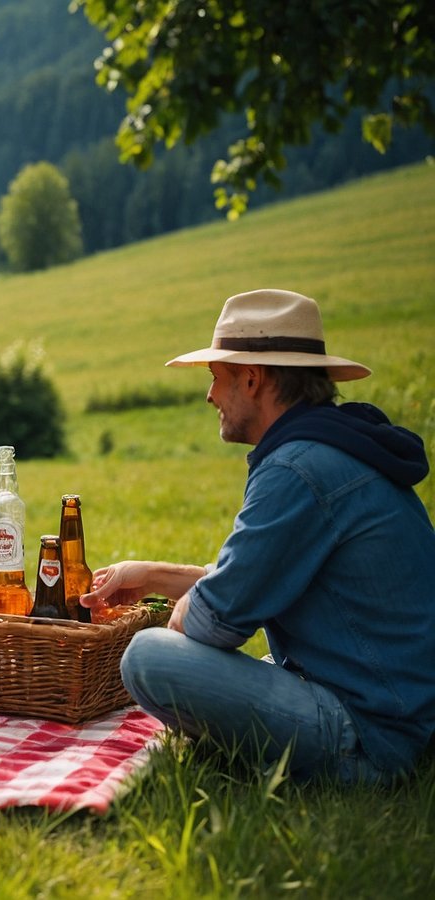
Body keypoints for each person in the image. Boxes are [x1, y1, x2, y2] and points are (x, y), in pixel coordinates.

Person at [81, 289, 435, 784]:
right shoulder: (332, 448)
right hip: (397, 708)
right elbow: (256, 578)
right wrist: (155, 576)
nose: (209, 396)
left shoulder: (297, 469)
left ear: (251, 379)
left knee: (147, 656)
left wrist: (189, 613)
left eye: (215, 379)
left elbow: (214, 623)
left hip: (370, 735)